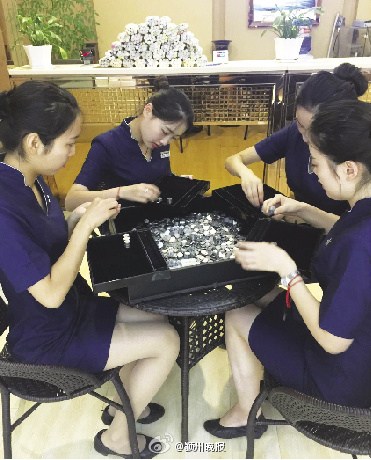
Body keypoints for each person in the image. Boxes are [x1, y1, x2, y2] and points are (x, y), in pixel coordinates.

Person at [0, 80, 180, 458]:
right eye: (69, 142)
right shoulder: (4, 205)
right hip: (47, 335)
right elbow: (48, 294)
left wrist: (74, 218)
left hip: (74, 307)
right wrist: (82, 227)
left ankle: (124, 407)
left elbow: (47, 243)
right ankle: (116, 439)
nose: (72, 151)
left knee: (159, 312)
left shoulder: (32, 180)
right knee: (167, 342)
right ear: (34, 143)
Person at [204, 99, 371, 440]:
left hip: (344, 380)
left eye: (317, 165)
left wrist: (288, 271)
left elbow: (333, 341)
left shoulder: (361, 245)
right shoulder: (361, 211)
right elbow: (345, 227)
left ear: (349, 169)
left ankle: (246, 417)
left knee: (236, 315)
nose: (313, 174)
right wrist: (305, 210)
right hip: (357, 343)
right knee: (262, 292)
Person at [225, 63, 368, 215]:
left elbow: (348, 227)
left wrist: (300, 215)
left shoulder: (356, 151)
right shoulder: (295, 133)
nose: (306, 138)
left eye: (314, 131)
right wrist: (246, 174)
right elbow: (233, 160)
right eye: (300, 124)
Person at [65, 77, 194, 211]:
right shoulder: (107, 144)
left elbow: (159, 178)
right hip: (121, 221)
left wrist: (175, 183)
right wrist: (121, 192)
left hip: (154, 216)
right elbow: (71, 201)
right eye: (165, 131)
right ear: (148, 110)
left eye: (174, 137)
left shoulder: (158, 142)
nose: (165, 141)